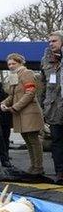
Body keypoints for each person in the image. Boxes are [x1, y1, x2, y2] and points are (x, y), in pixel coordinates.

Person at [1, 53, 45, 176]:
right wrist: (4, 103)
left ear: (20, 63)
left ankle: (38, 167)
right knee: (27, 140)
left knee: (33, 140)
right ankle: (33, 166)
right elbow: (12, 95)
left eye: (13, 63)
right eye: (9, 64)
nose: (10, 66)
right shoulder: (14, 76)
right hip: (20, 113)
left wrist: (15, 107)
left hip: (29, 112)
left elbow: (30, 93)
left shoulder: (27, 73)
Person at [42, 31, 63, 184]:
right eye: (49, 41)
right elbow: (43, 85)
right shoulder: (46, 60)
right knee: (57, 142)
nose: (51, 43)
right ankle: (60, 172)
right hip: (54, 108)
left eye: (54, 40)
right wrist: (43, 104)